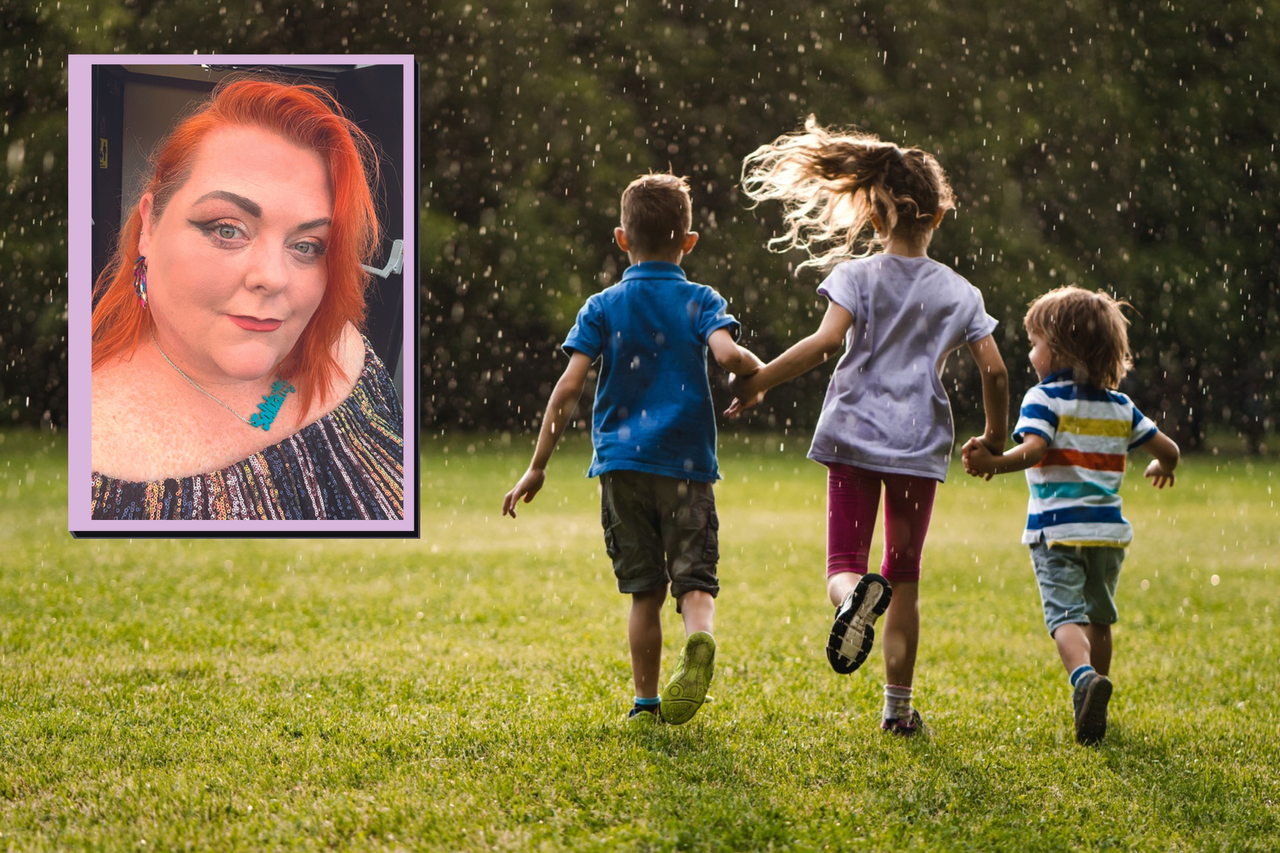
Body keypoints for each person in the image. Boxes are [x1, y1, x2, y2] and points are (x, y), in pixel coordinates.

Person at [727, 118, 1010, 737]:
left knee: (844, 563)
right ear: (939, 216)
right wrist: (995, 438)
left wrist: (762, 380)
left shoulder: (856, 277)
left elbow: (825, 343)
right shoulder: (960, 293)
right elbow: (993, 370)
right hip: (916, 445)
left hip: (853, 436)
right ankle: (898, 712)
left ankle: (852, 598)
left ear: (876, 217)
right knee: (904, 577)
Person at [502, 173, 764, 726]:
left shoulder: (603, 306)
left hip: (622, 468)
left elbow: (568, 388)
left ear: (622, 239)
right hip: (687, 466)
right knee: (696, 577)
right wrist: (757, 372)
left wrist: (537, 465)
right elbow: (727, 354)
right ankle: (700, 637)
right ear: (688, 242)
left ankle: (645, 704)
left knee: (644, 592)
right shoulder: (700, 300)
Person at [90, 77, 403, 521]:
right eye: (227, 229)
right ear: (149, 226)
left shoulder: (343, 347)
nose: (273, 279)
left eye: (308, 245)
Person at [962, 286, 1179, 745]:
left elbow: (1034, 451)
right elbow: (1169, 449)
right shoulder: (1121, 405)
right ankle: (1095, 694)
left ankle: (1083, 680)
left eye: (1035, 342)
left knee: (1064, 616)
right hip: (1107, 534)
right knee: (1099, 616)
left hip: (1057, 530)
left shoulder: (1043, 399)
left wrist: (993, 464)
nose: (1031, 352)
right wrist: (1162, 466)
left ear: (1058, 348)